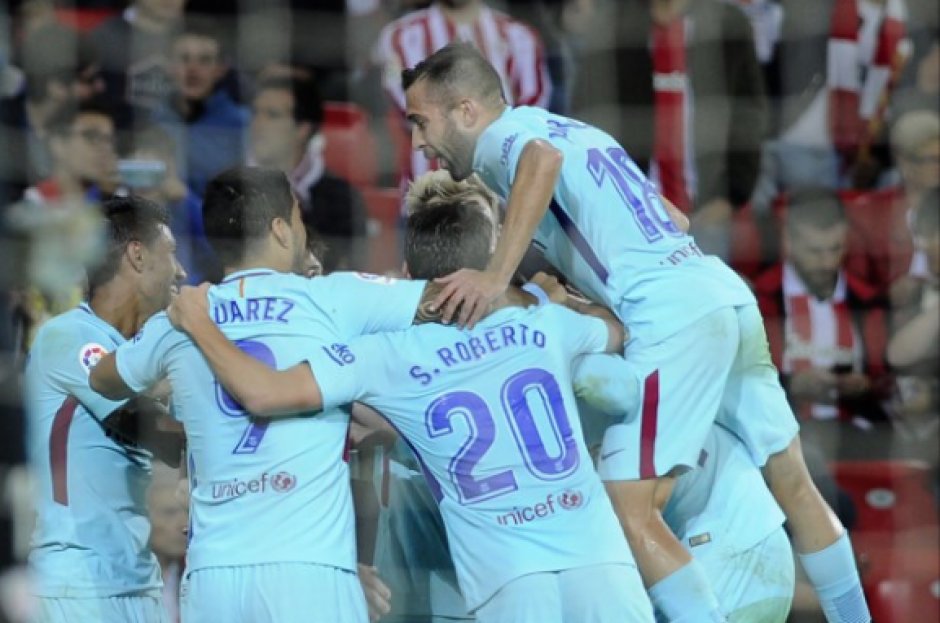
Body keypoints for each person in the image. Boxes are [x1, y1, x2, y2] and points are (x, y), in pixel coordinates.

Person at [402, 42, 871, 623]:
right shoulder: (581, 132)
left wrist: (496, 277)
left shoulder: (513, 143)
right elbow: (672, 217)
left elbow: (540, 163)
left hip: (671, 319)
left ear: (467, 111)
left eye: (421, 122)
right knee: (794, 481)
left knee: (629, 508)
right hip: (719, 291)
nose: (418, 142)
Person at [164, 199, 655, 623]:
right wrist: (537, 296)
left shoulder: (384, 357)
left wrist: (200, 324)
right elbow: (619, 329)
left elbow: (267, 393)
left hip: (506, 573)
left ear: (405, 274)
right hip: (598, 556)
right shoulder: (546, 326)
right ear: (489, 265)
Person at [87, 166, 497, 623]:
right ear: (282, 230)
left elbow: (102, 379)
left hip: (213, 578)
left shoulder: (182, 316)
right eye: (298, 217)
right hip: (309, 572)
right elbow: (448, 300)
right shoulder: (333, 297)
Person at [24, 196, 186, 623]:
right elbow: (147, 427)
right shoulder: (67, 336)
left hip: (137, 579)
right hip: (77, 584)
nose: (181, 271)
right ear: (137, 254)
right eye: (171, 255)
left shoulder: (134, 355)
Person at [373, 0, 551, 191]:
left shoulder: (519, 37)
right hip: (425, 194)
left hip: (502, 193)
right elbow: (406, 108)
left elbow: (531, 110)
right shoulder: (400, 37)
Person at [753, 189, 891, 426]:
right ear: (788, 240)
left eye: (836, 249)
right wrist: (791, 384)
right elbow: (741, 381)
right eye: (815, 251)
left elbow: (886, 380)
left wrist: (866, 385)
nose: (827, 263)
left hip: (855, 435)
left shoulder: (868, 302)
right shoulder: (758, 300)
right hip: (778, 433)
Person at [248, 75, 369, 272]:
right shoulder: (228, 188)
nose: (257, 123)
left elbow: (346, 271)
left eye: (272, 115)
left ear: (303, 128)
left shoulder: (343, 198)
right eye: (255, 112)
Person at [152, 19, 248, 196]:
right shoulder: (151, 121)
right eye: (183, 59)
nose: (192, 69)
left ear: (221, 68)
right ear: (168, 66)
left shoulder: (244, 124)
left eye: (204, 60)